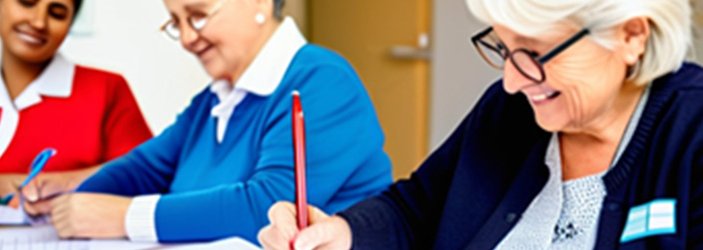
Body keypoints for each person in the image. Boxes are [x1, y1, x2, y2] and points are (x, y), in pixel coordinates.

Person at [259, 0, 703, 249]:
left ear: (631, 36)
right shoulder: (509, 115)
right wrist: (344, 234)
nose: (511, 82)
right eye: (504, 49)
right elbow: (415, 209)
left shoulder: (692, 132)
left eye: (533, 52)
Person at [29, 0, 393, 244]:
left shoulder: (323, 81)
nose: (187, 38)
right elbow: (142, 169)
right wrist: (74, 198)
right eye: (176, 22)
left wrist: (125, 216)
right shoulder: (215, 100)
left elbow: (265, 208)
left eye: (198, 14)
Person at [0, 0, 152, 204]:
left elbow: (146, 174)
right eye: (27, 3)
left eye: (57, 13)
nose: (39, 22)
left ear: (70, 23)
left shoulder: (107, 89)